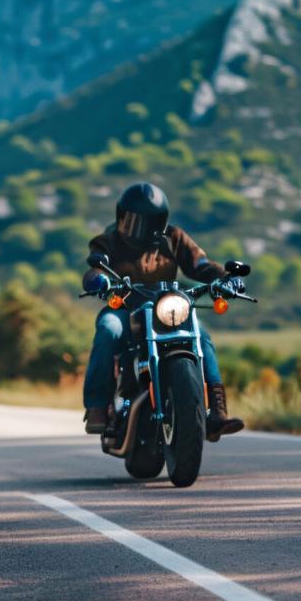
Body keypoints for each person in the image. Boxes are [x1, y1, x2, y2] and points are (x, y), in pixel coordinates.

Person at [81, 182, 245, 441]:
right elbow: (97, 266)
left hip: (168, 309)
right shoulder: (107, 240)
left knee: (201, 336)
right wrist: (97, 279)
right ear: (120, 215)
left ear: (161, 221)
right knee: (108, 329)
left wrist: (224, 278)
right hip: (126, 307)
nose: (137, 228)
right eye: (131, 220)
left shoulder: (174, 238)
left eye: (147, 222)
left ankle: (217, 410)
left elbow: (201, 264)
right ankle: (97, 406)